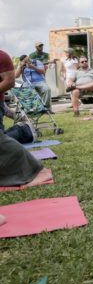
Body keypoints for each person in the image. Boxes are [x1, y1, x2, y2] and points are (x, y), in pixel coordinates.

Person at [0, 49, 52, 193]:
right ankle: (24, 130)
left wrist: (31, 66)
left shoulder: (2, 56)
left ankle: (36, 170)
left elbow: (10, 81)